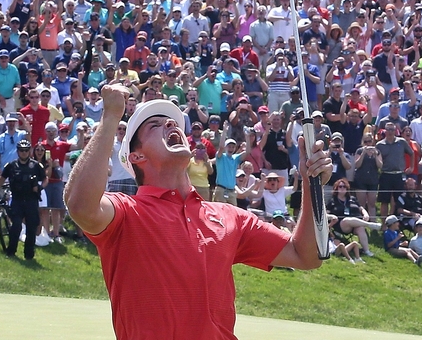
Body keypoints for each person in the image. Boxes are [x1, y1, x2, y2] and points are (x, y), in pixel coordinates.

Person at [64, 85, 331, 337]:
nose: (170, 124)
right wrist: (110, 118)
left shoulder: (230, 217)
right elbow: (80, 205)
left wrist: (311, 181)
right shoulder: (125, 212)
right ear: (137, 157)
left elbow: (306, 255)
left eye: (174, 123)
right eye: (155, 125)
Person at [0, 139, 48, 260]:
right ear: (17, 151)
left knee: (32, 229)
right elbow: (0, 180)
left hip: (31, 201)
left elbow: (45, 179)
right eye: (21, 150)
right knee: (16, 226)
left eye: (26, 150)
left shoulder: (36, 166)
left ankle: (29, 256)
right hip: (17, 200)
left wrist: (40, 188)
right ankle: (11, 252)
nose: (24, 153)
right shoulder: (11, 166)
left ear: (29, 151)